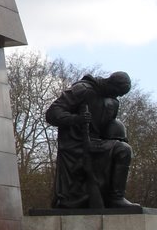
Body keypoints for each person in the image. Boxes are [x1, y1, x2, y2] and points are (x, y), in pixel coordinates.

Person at [45, 71, 140, 210]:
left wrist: (118, 134)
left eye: (120, 95)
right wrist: (77, 119)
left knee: (123, 149)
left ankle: (116, 197)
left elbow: (107, 126)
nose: (116, 96)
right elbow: (52, 114)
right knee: (122, 149)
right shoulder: (82, 89)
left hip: (96, 143)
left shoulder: (112, 102)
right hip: (75, 145)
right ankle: (110, 198)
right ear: (110, 83)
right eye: (117, 92)